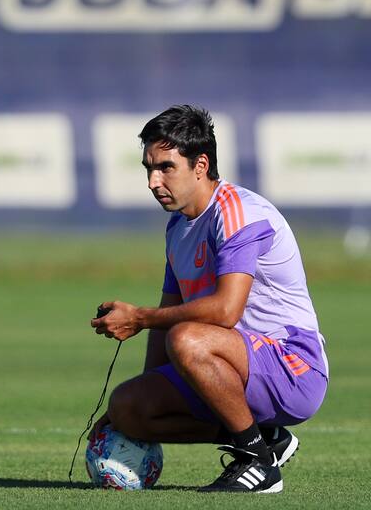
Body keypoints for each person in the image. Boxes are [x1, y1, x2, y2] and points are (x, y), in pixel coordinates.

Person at [90, 104, 328, 494]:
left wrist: (139, 318)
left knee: (186, 337)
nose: (153, 181)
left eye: (166, 167)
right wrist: (138, 401)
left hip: (292, 368)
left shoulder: (237, 212)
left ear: (200, 165)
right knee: (129, 407)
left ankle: (258, 463)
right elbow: (168, 311)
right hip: (228, 364)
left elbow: (225, 310)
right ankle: (265, 438)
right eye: (148, 168)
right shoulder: (178, 228)